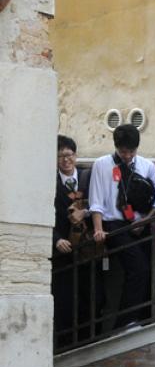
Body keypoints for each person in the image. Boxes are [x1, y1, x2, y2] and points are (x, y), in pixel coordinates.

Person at [89, 124, 155, 329]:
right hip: (115, 225)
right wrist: (98, 229)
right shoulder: (102, 165)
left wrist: (145, 220)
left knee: (146, 272)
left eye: (132, 151)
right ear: (116, 146)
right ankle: (124, 323)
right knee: (138, 268)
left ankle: (144, 319)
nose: (128, 156)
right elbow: (96, 201)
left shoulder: (147, 166)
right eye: (123, 152)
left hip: (141, 224)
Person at [52, 135, 97, 344]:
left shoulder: (89, 178)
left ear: (76, 155)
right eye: (60, 156)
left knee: (92, 297)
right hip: (63, 250)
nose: (65, 160)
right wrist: (56, 239)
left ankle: (89, 342)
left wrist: (86, 213)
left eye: (68, 154)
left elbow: (101, 204)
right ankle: (65, 346)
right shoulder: (49, 182)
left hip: (88, 248)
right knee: (64, 301)